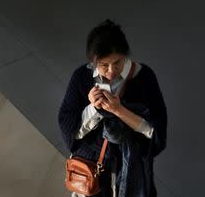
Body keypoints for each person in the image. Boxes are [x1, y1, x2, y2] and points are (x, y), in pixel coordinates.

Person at [58, 19, 167, 197]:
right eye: (103, 65)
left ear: (126, 55)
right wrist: (94, 108)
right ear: (93, 61)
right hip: (90, 169)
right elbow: (71, 130)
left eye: (117, 63)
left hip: (130, 166)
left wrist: (119, 110)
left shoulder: (143, 76)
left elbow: (155, 133)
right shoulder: (81, 77)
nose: (111, 71)